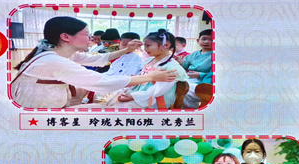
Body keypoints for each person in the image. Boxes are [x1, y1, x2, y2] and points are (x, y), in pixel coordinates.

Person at [11, 17, 178, 109]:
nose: (91, 38)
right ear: (66, 37)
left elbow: (95, 59)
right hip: (38, 109)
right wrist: (151, 77)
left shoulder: (56, 54)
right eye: (86, 34)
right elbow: (102, 81)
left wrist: (126, 50)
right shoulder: (54, 60)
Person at [112, 29, 188, 109]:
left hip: (154, 100)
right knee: (111, 100)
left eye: (148, 46)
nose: (145, 49)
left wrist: (133, 96)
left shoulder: (172, 67)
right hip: (140, 94)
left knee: (118, 108)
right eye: (144, 46)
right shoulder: (148, 60)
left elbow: (158, 90)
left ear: (165, 45)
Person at [182, 29, 214, 108]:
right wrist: (180, 62)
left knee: (184, 90)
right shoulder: (194, 54)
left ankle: (190, 110)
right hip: (189, 77)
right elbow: (185, 65)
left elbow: (214, 74)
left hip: (202, 80)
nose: (207, 42)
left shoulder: (215, 55)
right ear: (198, 40)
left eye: (211, 40)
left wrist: (200, 74)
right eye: (204, 39)